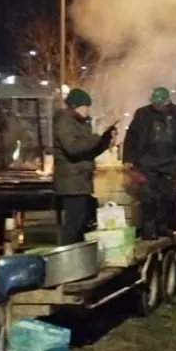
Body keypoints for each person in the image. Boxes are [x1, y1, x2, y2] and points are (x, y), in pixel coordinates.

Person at [123, 86, 176, 240]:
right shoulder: (142, 114)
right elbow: (131, 137)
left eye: (159, 102)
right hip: (147, 163)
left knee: (167, 197)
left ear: (167, 101)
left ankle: (163, 228)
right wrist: (128, 159)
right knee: (148, 198)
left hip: (171, 163)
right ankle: (149, 230)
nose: (156, 105)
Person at [53, 89, 116, 245]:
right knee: (75, 222)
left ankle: (78, 253)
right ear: (74, 106)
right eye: (85, 107)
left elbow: (89, 150)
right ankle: (67, 256)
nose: (88, 110)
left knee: (86, 218)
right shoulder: (64, 121)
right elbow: (73, 148)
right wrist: (97, 135)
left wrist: (105, 139)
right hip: (71, 181)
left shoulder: (81, 123)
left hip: (81, 180)